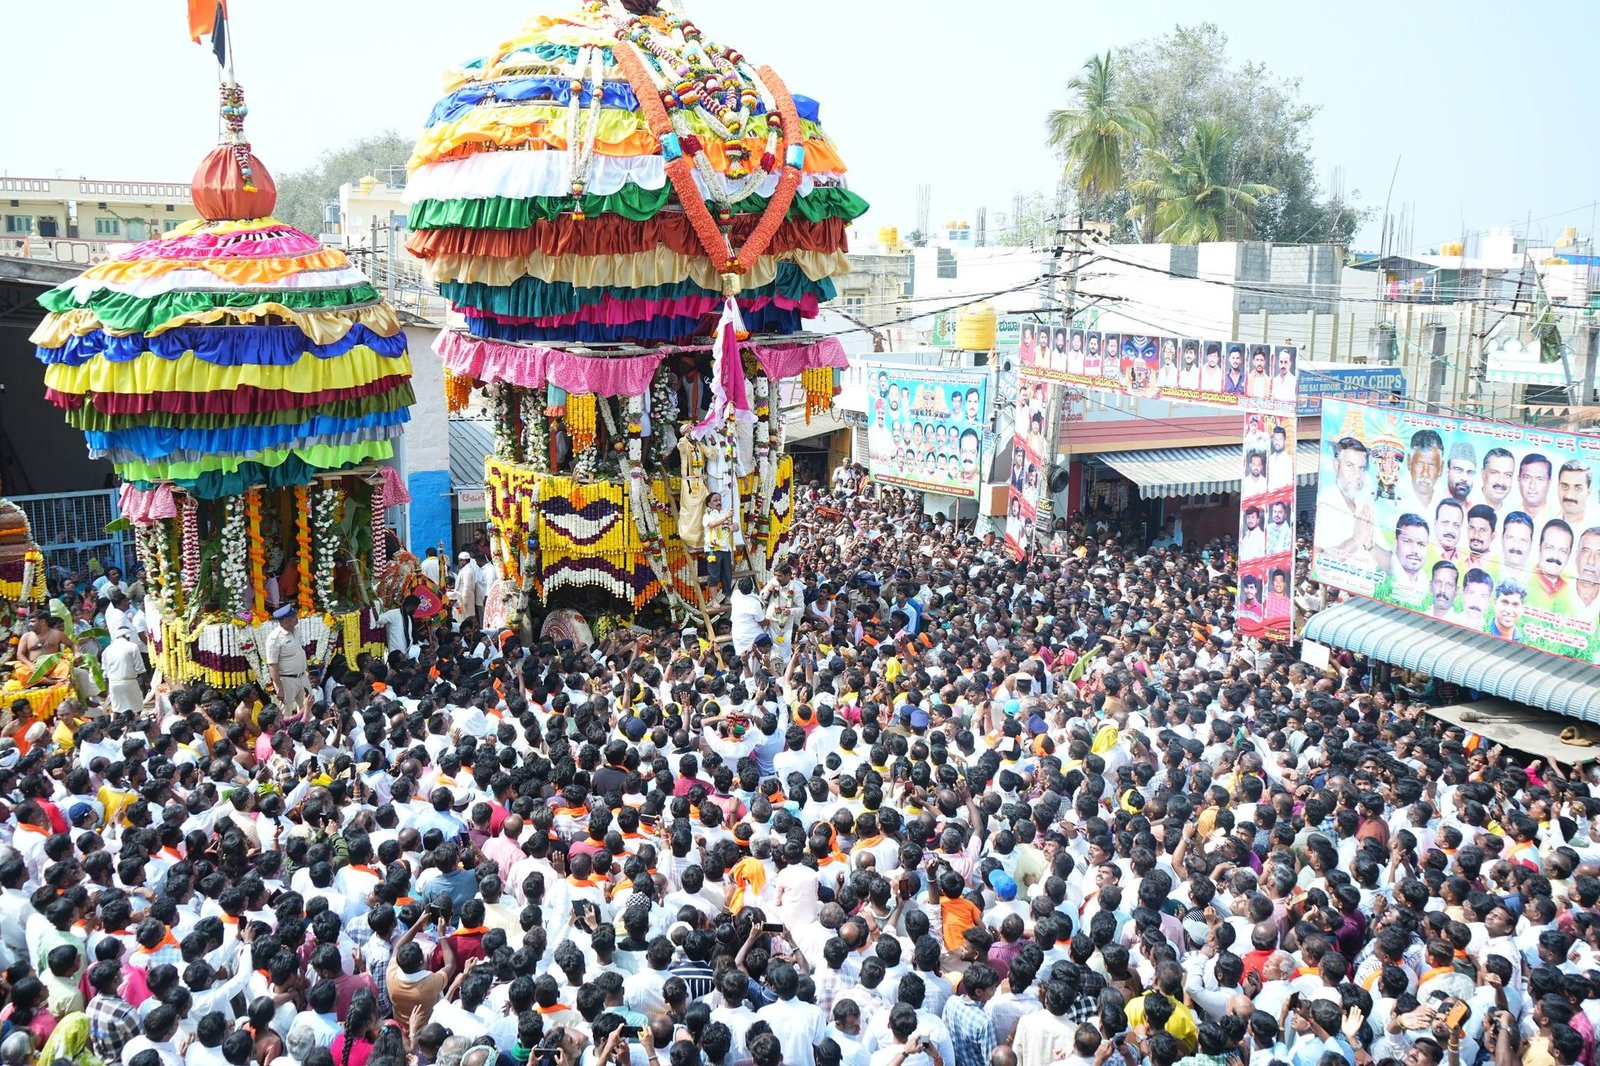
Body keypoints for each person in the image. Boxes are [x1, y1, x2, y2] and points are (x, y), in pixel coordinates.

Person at [263, 604, 309, 710]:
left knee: (306, 709)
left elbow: (300, 653)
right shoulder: (274, 638)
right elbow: (273, 665)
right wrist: (279, 688)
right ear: (286, 620)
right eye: (294, 617)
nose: (296, 618)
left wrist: (306, 672)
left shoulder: (296, 631)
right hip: (287, 681)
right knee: (286, 713)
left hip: (302, 677)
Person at [703, 491, 735, 601]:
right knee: (714, 575)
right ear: (709, 504)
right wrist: (726, 517)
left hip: (725, 548)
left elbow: (736, 526)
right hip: (713, 549)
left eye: (719, 500)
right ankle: (714, 600)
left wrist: (733, 527)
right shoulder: (707, 516)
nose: (719, 502)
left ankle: (727, 597)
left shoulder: (725, 514)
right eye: (715, 500)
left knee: (727, 575)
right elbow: (713, 524)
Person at [452, 551, 480, 625]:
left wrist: (463, 602)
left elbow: (466, 587)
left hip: (465, 599)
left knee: (466, 619)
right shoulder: (465, 569)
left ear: (464, 561)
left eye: (460, 560)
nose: (459, 562)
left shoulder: (467, 571)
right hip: (462, 598)